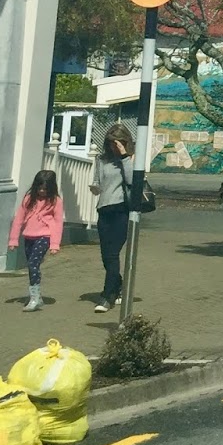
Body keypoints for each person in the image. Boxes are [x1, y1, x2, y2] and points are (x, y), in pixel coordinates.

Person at [89, 124, 134, 313]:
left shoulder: (130, 159)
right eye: (111, 144)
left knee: (113, 253)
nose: (114, 147)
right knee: (106, 256)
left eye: (118, 143)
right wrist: (95, 187)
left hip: (122, 210)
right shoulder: (102, 160)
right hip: (104, 209)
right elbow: (98, 182)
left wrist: (124, 156)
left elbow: (132, 180)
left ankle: (107, 296)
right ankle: (118, 285)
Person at [8, 169, 63, 312]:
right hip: (28, 236)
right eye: (39, 188)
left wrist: (55, 244)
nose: (42, 191)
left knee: (33, 264)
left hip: (45, 236)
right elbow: (18, 219)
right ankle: (37, 295)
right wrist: (13, 239)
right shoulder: (28, 199)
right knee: (32, 266)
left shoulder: (56, 201)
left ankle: (34, 297)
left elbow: (58, 223)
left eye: (45, 189)